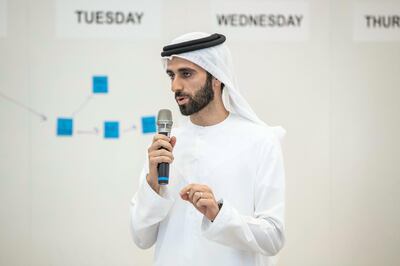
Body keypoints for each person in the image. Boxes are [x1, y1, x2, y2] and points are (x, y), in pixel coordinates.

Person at [130, 32, 286, 266]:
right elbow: (141, 238)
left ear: (217, 77)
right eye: (171, 75)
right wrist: (153, 184)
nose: (175, 86)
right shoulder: (165, 147)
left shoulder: (260, 140)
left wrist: (219, 214)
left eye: (186, 74)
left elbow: (273, 238)